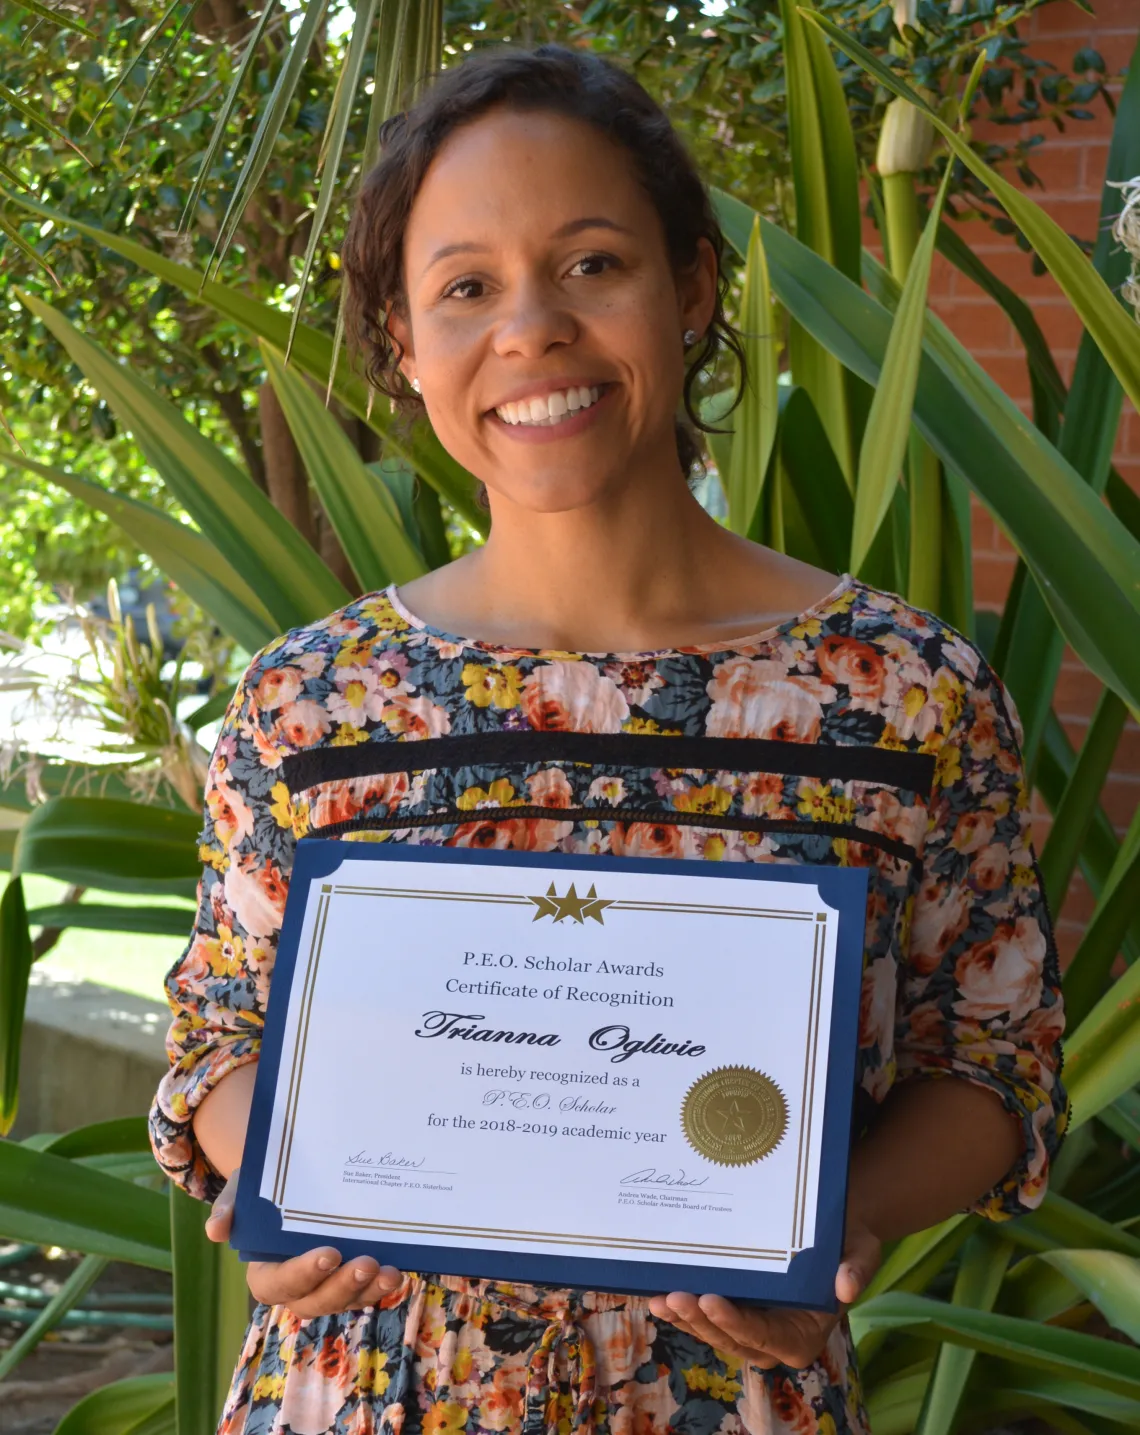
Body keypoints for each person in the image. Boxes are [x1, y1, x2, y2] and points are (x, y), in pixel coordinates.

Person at [147, 43, 1067, 1435]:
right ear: (405, 343)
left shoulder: (901, 694)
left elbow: (994, 1063)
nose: (533, 329)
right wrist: (281, 1180)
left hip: (731, 1395)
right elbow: (219, 1033)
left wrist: (825, 1239)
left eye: (591, 264)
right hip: (360, 1400)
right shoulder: (312, 702)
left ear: (691, 286)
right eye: (465, 287)